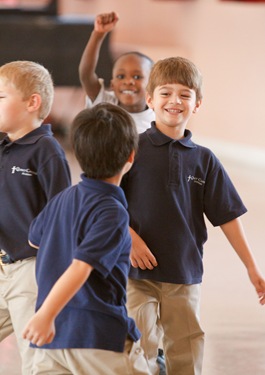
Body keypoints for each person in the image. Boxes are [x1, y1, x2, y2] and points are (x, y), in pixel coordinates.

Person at [121, 56, 265, 375]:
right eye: (165, 93)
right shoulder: (131, 148)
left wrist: (252, 268)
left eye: (185, 94)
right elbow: (105, 200)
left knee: (185, 347)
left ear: (197, 103)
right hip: (134, 274)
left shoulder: (205, 161)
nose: (175, 101)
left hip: (183, 274)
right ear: (150, 99)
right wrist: (129, 239)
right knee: (135, 347)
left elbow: (228, 215)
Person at [22, 103, 151, 375]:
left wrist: (47, 314)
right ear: (131, 156)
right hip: (95, 335)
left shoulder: (62, 199)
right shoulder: (112, 210)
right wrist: (45, 315)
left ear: (78, 153)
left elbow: (35, 240)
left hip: (51, 339)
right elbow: (81, 266)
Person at [0, 60, 71, 374]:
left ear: (32, 102)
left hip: (31, 271)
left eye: (0, 97)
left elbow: (62, 218)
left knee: (38, 359)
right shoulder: (3, 146)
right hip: (2, 266)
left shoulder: (47, 151)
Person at [79, 11, 155, 134]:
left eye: (137, 76)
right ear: (113, 84)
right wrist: (98, 34)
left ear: (152, 85)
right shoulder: (105, 103)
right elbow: (86, 76)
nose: (128, 81)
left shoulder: (157, 119)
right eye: (121, 76)